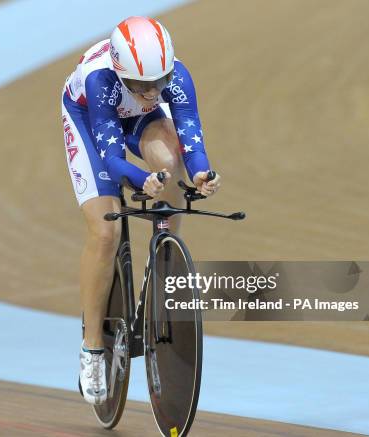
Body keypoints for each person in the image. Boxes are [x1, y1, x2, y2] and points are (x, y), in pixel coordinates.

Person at [61, 16, 221, 405]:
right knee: (105, 232)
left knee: (171, 162)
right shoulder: (100, 81)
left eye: (159, 83)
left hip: (137, 121)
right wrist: (138, 178)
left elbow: (190, 132)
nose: (152, 93)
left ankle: (164, 251)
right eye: (141, 85)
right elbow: (111, 157)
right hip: (90, 119)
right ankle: (92, 347)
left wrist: (201, 173)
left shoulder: (176, 76)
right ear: (121, 73)